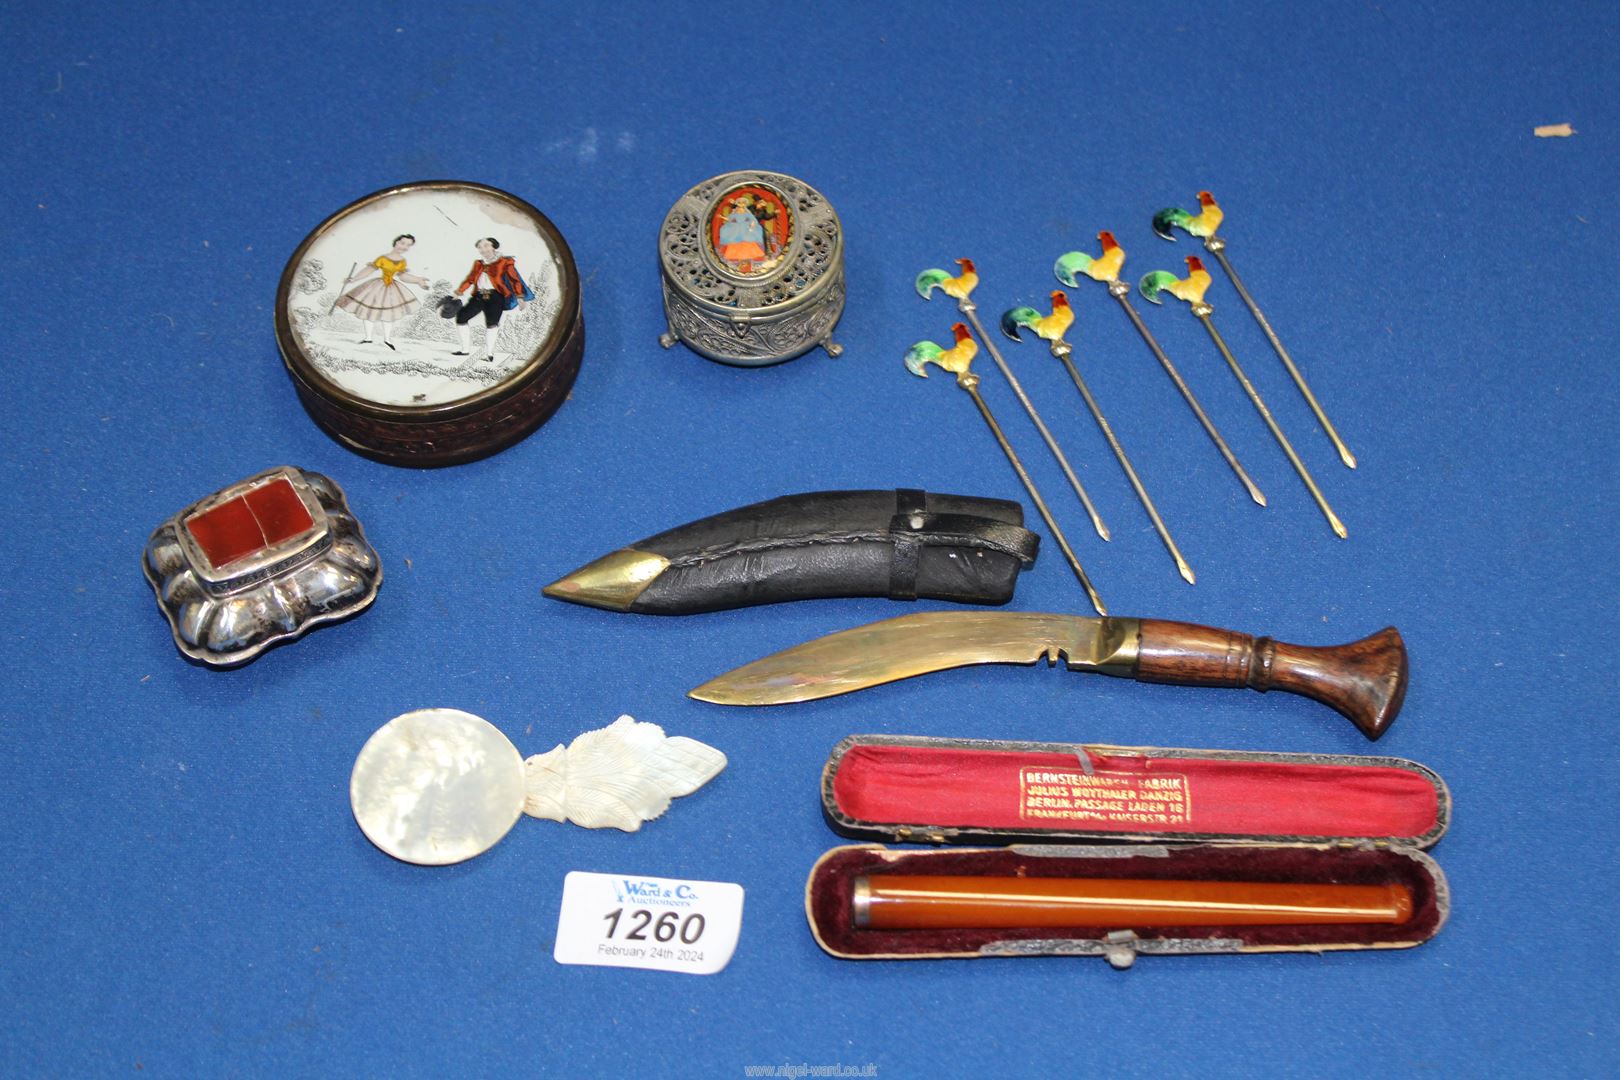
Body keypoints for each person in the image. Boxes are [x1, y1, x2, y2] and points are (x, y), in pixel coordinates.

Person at [335, 235, 429, 349]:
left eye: (408, 245)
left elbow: (403, 276)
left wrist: (418, 280)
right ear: (396, 242)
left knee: (389, 314)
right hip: (377, 287)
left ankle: (387, 340)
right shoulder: (383, 258)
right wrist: (354, 279)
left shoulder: (402, 261)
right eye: (403, 243)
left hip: (392, 289)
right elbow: (369, 270)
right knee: (368, 311)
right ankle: (368, 338)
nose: (404, 247)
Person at [453, 237, 529, 361]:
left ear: (494, 246)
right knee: (461, 317)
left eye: (486, 245)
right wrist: (459, 291)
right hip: (479, 296)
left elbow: (514, 280)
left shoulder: (505, 262)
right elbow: (470, 279)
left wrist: (520, 297)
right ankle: (465, 350)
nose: (483, 249)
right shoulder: (478, 264)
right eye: (480, 247)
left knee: (492, 324)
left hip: (496, 297)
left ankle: (489, 354)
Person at [717, 196, 767, 271]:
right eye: (740, 203)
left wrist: (752, 226)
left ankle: (746, 260)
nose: (741, 205)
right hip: (737, 229)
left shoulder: (747, 213)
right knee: (735, 242)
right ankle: (740, 261)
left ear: (745, 205)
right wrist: (722, 217)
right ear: (737, 204)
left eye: (743, 203)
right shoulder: (735, 212)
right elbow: (730, 219)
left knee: (747, 242)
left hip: (745, 229)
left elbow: (753, 220)